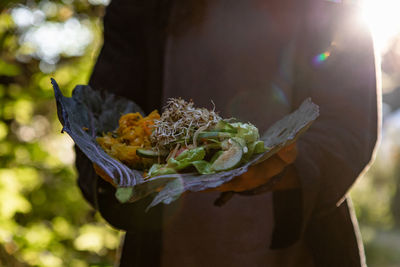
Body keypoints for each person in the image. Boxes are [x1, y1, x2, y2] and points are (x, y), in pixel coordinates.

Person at [76, 0, 380, 266]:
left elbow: (350, 133)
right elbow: (99, 120)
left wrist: (281, 169)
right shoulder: (143, 8)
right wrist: (120, 171)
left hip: (300, 253)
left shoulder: (333, 12)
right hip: (166, 250)